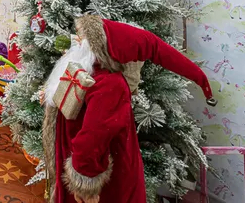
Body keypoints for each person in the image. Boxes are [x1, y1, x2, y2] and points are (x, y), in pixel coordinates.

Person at [40, 14, 216, 203]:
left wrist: (85, 184)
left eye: (85, 37)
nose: (78, 40)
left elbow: (94, 135)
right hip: (83, 165)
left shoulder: (107, 83)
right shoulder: (93, 72)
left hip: (98, 178)